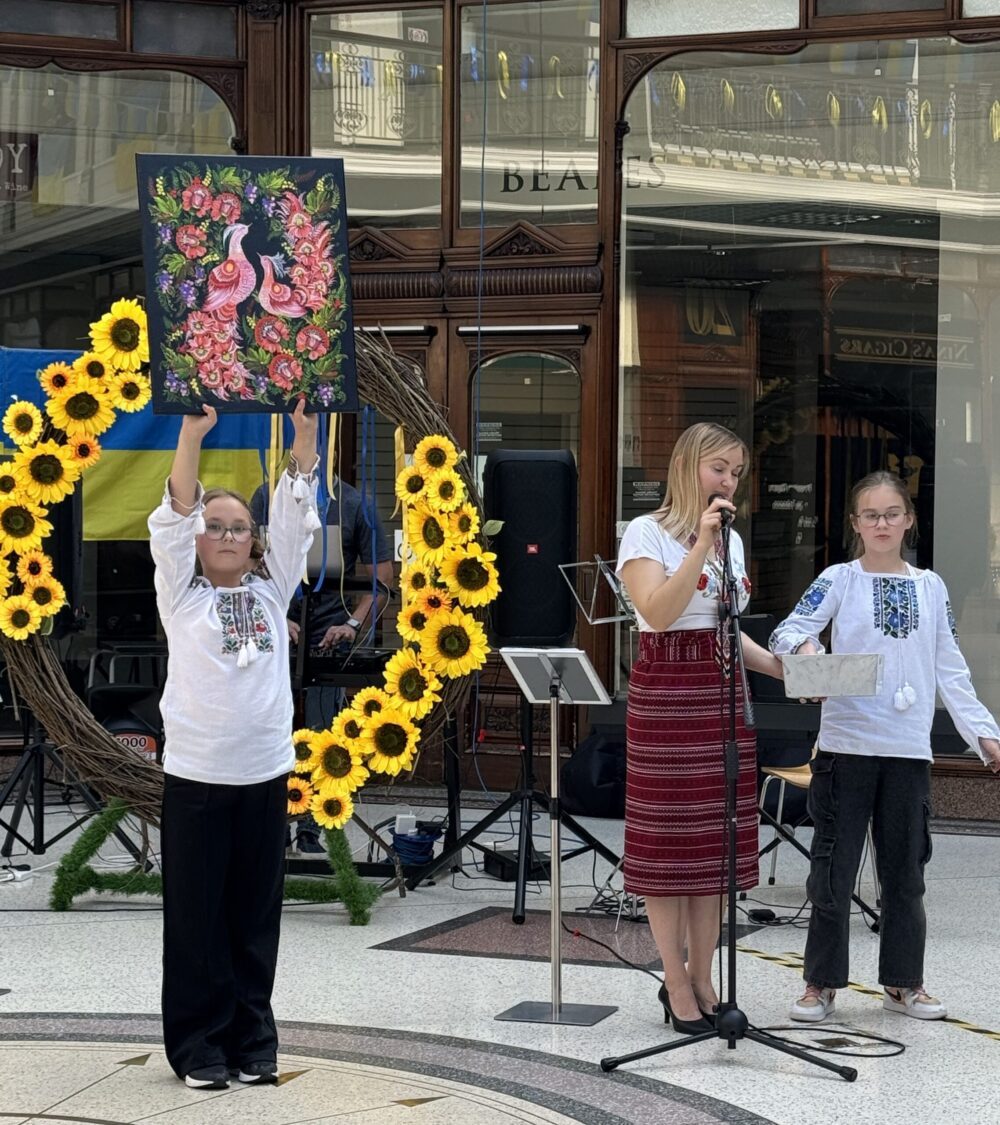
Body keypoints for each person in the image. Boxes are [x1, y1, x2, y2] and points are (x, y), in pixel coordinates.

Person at [770, 470, 1000, 1024]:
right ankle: (819, 984)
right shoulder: (838, 579)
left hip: (907, 752)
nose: (881, 523)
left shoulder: (931, 586)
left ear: (909, 519)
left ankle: (904, 983)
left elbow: (951, 670)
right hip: (846, 748)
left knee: (905, 875)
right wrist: (807, 646)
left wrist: (985, 735)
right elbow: (786, 632)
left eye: (891, 513)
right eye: (870, 515)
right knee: (832, 872)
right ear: (855, 523)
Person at [149, 399, 319, 1090]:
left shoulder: (273, 590)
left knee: (254, 915)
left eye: (237, 526)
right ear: (196, 538)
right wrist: (191, 433)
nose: (224, 534)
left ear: (253, 540)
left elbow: (294, 524)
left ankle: (254, 1038)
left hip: (264, 773)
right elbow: (176, 509)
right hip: (196, 775)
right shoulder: (180, 595)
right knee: (196, 917)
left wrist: (305, 436)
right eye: (212, 526)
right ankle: (198, 1044)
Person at [616, 423, 783, 1033]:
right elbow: (658, 613)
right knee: (669, 845)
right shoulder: (646, 531)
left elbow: (725, 627)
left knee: (715, 848)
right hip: (667, 693)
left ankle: (706, 974)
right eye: (719, 468)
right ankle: (674, 979)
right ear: (688, 465)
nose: (729, 482)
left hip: (721, 694)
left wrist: (780, 668)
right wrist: (699, 544)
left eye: (737, 473)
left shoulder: (731, 543)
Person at [250, 469, 393, 853]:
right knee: (270, 727)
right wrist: (275, 617)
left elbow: (383, 583)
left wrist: (351, 624)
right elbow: (249, 571)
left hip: (331, 631)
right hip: (278, 626)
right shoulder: (266, 496)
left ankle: (312, 825)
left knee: (321, 730)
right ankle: (272, 824)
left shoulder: (354, 503)